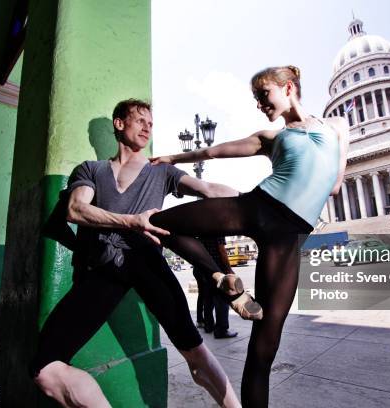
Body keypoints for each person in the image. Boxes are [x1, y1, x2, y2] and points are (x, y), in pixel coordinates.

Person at [147, 65, 349, 407]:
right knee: (157, 223)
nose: (259, 104)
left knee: (264, 347)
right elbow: (213, 151)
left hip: (289, 236)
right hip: (259, 207)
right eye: (256, 98)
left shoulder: (338, 125)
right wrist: (173, 157)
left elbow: (335, 185)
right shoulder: (270, 138)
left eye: (263, 95)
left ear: (288, 88)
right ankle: (221, 278)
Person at [32, 99, 241, 408]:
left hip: (148, 264)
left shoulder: (162, 171)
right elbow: (76, 210)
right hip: (104, 271)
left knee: (195, 352)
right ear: (119, 124)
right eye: (140, 120)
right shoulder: (91, 170)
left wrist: (263, 199)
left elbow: (209, 189)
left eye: (151, 123)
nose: (148, 127)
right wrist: (131, 221)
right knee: (44, 369)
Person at [194, 236, 238, 339]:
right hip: (217, 268)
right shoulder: (217, 230)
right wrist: (229, 269)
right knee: (222, 299)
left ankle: (209, 326)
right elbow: (222, 250)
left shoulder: (201, 230)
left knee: (208, 298)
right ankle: (221, 330)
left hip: (204, 269)